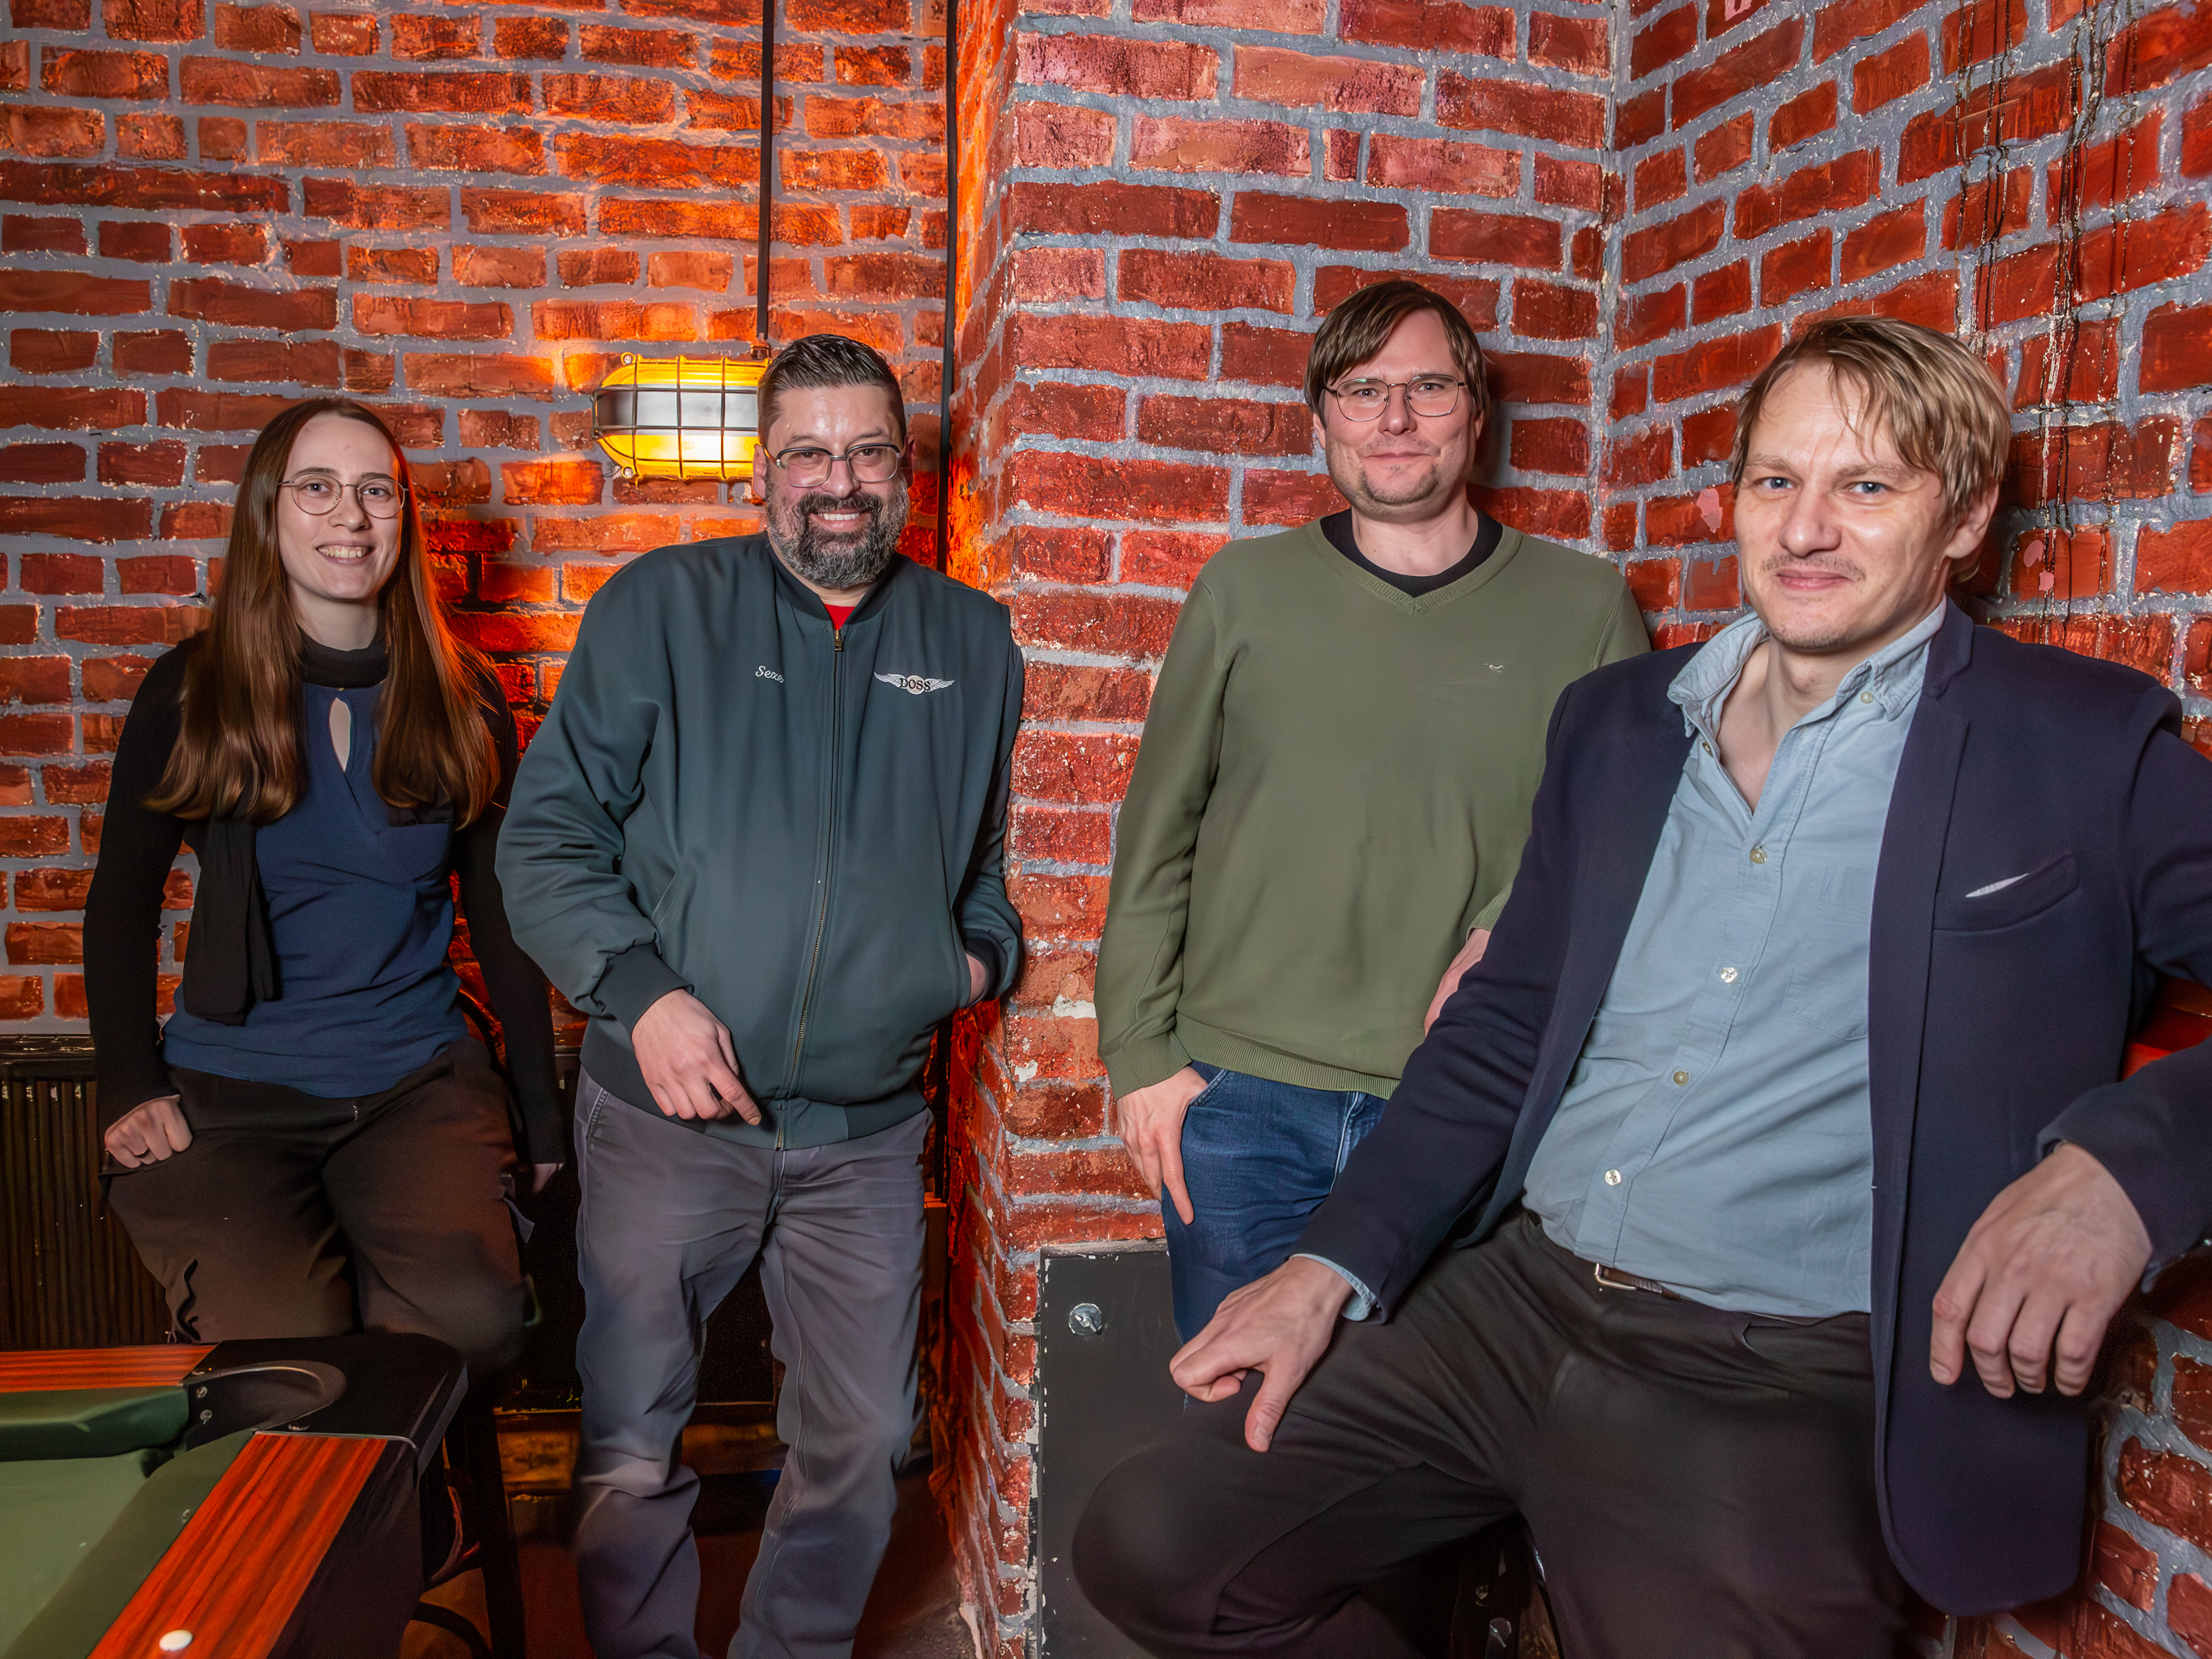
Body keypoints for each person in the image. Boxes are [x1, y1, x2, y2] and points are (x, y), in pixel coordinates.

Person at [1072, 317, 2212, 1657]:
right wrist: (1332, 1261)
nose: (1805, 528)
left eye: (1865, 485)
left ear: (1961, 519)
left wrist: (2119, 1174)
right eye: (1774, 480)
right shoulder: (1618, 722)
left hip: (1779, 1369)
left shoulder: (2075, 745)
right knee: (1152, 1542)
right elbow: (1503, 1025)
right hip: (1512, 1299)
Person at [497, 332, 1025, 1659]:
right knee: (631, 1444)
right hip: (662, 1118)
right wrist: (641, 997)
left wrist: (966, 963)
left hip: (863, 1132)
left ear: (905, 473)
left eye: (866, 452)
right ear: (760, 474)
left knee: (863, 1441)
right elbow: (544, 839)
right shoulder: (660, 608)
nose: (837, 482)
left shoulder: (973, 640)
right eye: (807, 454)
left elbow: (992, 867)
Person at [1096, 277, 1647, 1341]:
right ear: (1322, 424)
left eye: (1427, 388)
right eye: (1360, 391)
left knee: (1421, 1433)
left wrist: (1503, 927)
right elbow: (1156, 831)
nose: (1394, 419)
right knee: (1238, 1420)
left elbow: (1612, 838)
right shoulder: (1242, 589)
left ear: (1475, 415)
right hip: (1238, 1098)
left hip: (1463, 1099)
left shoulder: (1584, 607)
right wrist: (1141, 1058)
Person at [85, 396, 560, 1384]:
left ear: (402, 518)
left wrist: (540, 1108)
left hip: (414, 1080)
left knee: (470, 1329)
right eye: (318, 487)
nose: (351, 514)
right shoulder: (191, 688)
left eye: (375, 490)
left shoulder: (464, 696)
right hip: (232, 1091)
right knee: (285, 1358)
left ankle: (409, 1479)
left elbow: (500, 915)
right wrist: (130, 1079)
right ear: (270, 511)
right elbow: (122, 900)